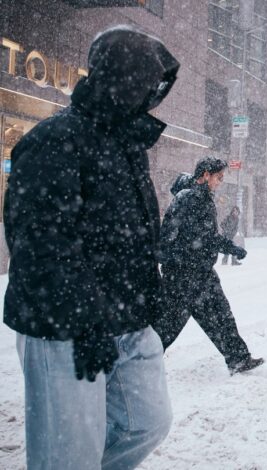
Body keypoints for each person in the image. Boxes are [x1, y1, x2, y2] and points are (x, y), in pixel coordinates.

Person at [3, 25, 176, 469]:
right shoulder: (54, 139)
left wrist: (150, 300)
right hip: (64, 326)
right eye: (142, 80)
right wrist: (82, 321)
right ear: (117, 77)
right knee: (68, 456)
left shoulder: (128, 145)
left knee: (146, 424)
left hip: (127, 320)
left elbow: (135, 236)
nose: (149, 92)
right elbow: (41, 244)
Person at [152, 157, 263, 375]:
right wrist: (229, 248)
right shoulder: (191, 199)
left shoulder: (200, 198)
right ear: (206, 175)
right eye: (218, 178)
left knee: (221, 315)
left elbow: (205, 237)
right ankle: (136, 363)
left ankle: (238, 358)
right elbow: (193, 238)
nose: (220, 182)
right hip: (184, 276)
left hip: (200, 273)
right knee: (166, 327)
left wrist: (228, 248)